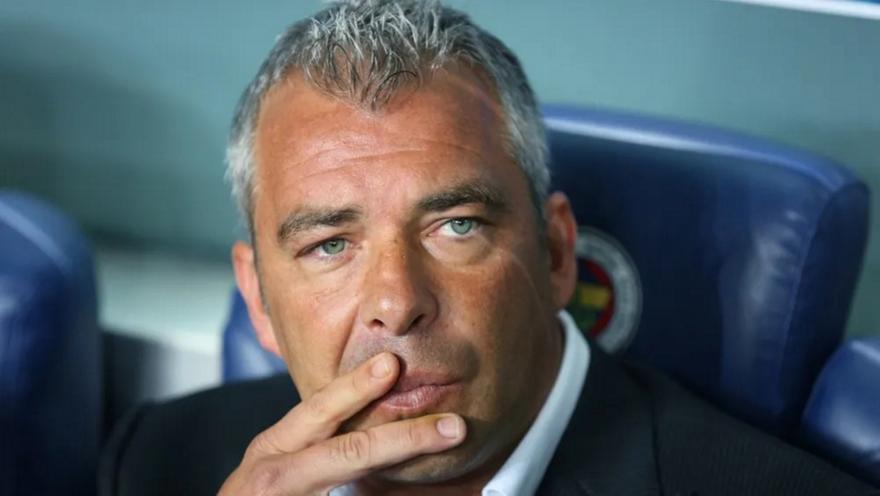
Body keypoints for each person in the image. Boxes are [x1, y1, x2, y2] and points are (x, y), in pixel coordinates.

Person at [99, 1, 877, 495]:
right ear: (260, 300)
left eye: (457, 225)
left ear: (556, 254)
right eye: (330, 244)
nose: (397, 302)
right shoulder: (161, 459)